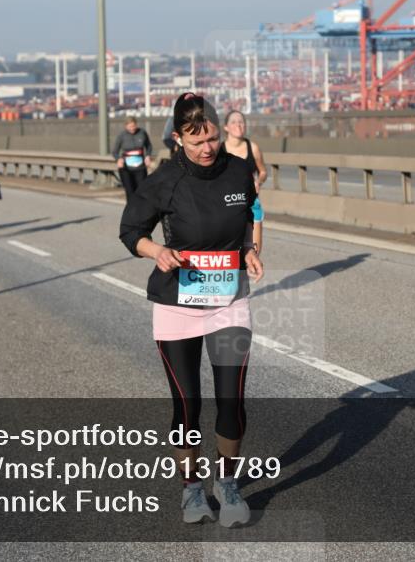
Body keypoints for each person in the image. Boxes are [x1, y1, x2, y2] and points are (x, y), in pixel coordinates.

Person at [119, 92, 262, 527]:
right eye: (197, 141)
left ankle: (228, 483)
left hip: (228, 301)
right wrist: (155, 251)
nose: (208, 148)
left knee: (231, 402)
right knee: (187, 406)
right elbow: (131, 230)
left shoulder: (239, 171)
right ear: (179, 139)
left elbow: (250, 214)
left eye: (213, 139)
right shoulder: (164, 180)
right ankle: (191, 490)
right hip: (177, 304)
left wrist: (251, 249)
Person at [223, 110, 268, 255]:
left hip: (251, 203)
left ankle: (247, 276)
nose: (238, 125)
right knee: (231, 254)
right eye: (234, 122)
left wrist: (258, 181)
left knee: (253, 252)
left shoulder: (253, 148)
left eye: (241, 122)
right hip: (226, 206)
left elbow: (263, 172)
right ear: (226, 127)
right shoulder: (218, 150)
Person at [112, 116, 153, 202]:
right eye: (130, 127)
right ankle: (131, 212)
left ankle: (140, 211)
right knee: (130, 192)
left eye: (134, 126)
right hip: (126, 169)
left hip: (140, 167)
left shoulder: (142, 133)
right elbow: (115, 152)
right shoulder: (121, 136)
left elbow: (148, 146)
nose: (132, 128)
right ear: (126, 126)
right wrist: (119, 159)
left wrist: (148, 156)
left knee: (141, 191)